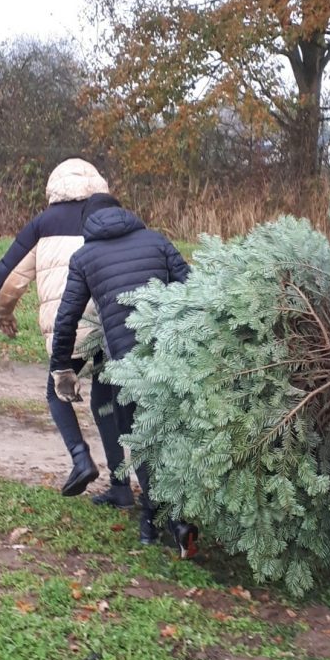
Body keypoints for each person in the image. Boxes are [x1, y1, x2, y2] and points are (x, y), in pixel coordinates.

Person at [50, 193, 199, 556]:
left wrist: (60, 367)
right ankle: (158, 518)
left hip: (129, 363)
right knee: (173, 433)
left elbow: (67, 317)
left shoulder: (84, 257)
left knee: (141, 437)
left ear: (88, 223)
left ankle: (168, 521)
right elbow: (193, 289)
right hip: (172, 352)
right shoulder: (157, 240)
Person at [0, 158, 126, 503]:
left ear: (55, 186)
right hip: (111, 325)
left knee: (57, 392)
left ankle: (81, 458)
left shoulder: (43, 223)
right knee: (105, 400)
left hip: (68, 330)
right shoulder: (109, 216)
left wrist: (2, 312)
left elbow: (9, 274)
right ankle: (122, 488)